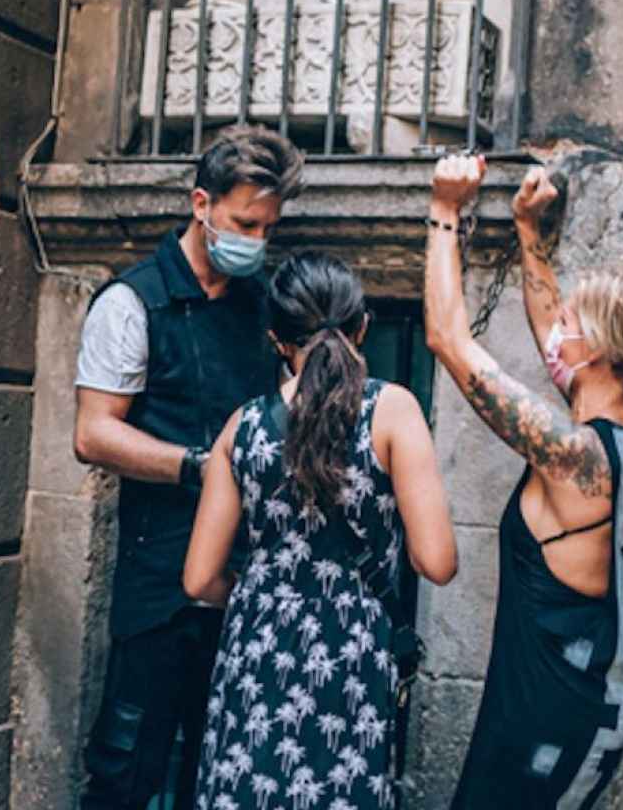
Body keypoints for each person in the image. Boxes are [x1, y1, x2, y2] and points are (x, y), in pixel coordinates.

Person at [424, 155, 623, 809]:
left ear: (595, 350)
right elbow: (553, 341)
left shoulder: (576, 458)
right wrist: (529, 233)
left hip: (551, 718)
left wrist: (446, 210)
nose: (558, 319)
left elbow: (448, 339)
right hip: (580, 701)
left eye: (574, 317)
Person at [75, 125, 305, 810]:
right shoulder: (131, 302)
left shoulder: (265, 306)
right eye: (244, 223)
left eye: (268, 227)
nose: (256, 240)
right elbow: (93, 435)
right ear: (200, 204)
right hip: (159, 589)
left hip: (243, 586)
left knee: (224, 780)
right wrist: (205, 467)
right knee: (126, 778)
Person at [182, 251, 458, 810]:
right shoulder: (393, 411)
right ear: (361, 326)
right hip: (351, 652)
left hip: (257, 646)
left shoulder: (244, 427)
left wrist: (263, 592)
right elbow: (437, 562)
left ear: (278, 341)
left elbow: (198, 580)